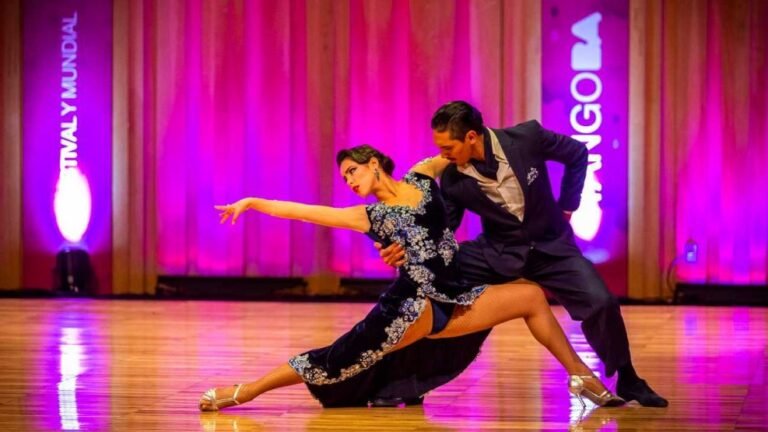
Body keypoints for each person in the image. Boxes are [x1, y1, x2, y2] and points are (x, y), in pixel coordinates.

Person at [199, 145, 625, 411]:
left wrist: (487, 145)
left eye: (352, 171)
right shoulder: (366, 215)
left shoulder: (422, 177)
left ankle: (581, 379)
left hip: (456, 295)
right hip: (411, 306)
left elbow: (458, 145)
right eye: (344, 176)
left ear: (373, 164)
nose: (348, 181)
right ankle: (246, 391)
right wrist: (254, 202)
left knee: (531, 295)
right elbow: (301, 211)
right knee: (336, 360)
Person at [377, 101, 668, 407]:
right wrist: (405, 245)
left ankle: (628, 377)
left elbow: (577, 153)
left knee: (602, 303)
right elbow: (444, 228)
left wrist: (568, 205)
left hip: (551, 247)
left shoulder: (527, 138)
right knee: (436, 287)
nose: (442, 154)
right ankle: (406, 383)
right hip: (496, 251)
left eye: (448, 147)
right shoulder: (451, 177)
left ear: (472, 137)